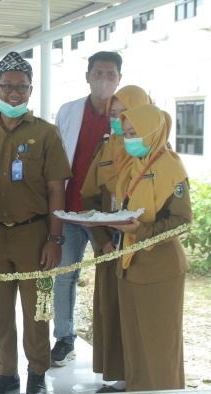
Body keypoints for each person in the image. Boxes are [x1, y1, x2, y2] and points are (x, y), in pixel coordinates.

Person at [0, 52, 72, 394]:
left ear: (30, 91)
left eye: (22, 87)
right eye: (8, 86)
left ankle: (37, 372)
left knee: (37, 310)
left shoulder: (47, 134)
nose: (15, 94)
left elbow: (58, 189)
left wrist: (55, 239)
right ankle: (6, 374)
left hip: (35, 233)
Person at [113, 104, 190, 391]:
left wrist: (141, 230)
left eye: (136, 132)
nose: (130, 139)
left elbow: (182, 221)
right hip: (131, 266)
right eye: (127, 132)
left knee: (159, 347)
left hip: (160, 269)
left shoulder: (170, 167)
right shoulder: (136, 165)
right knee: (135, 346)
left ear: (153, 132)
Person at [52, 51, 122, 367]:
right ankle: (65, 339)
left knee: (111, 276)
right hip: (69, 211)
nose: (103, 80)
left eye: (110, 74)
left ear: (119, 78)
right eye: (98, 73)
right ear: (88, 76)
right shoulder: (68, 111)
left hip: (108, 216)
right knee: (64, 276)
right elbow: (56, 160)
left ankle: (113, 342)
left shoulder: (126, 114)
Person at [80, 85, 152, 393]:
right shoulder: (105, 148)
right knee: (112, 310)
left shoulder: (155, 151)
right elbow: (89, 197)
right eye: (112, 115)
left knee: (142, 319)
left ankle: (144, 381)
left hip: (144, 248)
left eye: (124, 115)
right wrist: (101, 240)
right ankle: (121, 378)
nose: (118, 121)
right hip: (111, 245)